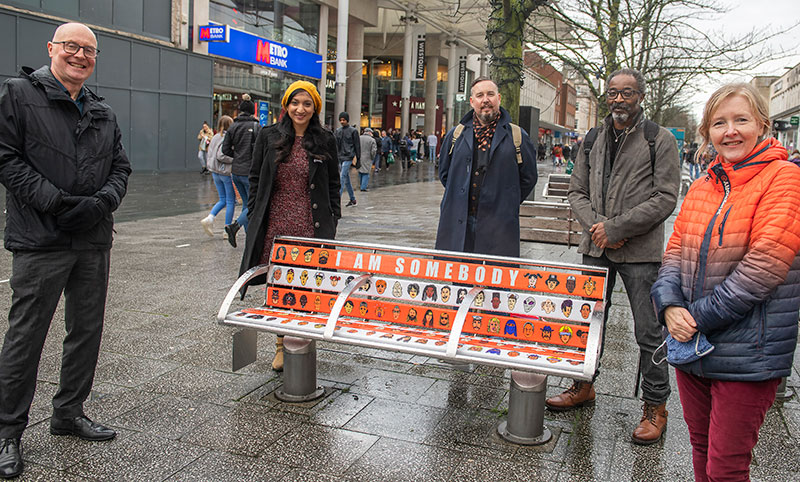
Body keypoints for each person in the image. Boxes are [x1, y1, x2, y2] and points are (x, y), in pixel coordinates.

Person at [0, 22, 131, 479]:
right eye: (71, 47)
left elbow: (120, 167)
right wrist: (54, 202)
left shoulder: (103, 110)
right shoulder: (18, 94)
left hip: (92, 239)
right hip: (41, 238)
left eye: (89, 50)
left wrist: (102, 202)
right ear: (51, 48)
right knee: (26, 335)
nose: (80, 55)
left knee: (86, 331)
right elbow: (5, 157)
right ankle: (7, 431)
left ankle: (68, 412)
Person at [651, 83, 800, 481]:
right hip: (693, 347)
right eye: (719, 122)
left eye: (740, 120)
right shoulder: (703, 184)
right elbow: (674, 252)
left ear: (763, 125)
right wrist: (668, 306)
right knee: (700, 450)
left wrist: (694, 317)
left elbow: (764, 267)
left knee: (726, 467)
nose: (730, 131)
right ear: (707, 132)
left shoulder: (783, 178)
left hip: (748, 351)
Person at [549, 68, 680, 446]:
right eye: (613, 93)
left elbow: (665, 198)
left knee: (648, 331)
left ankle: (656, 406)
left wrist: (618, 229)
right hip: (597, 247)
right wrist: (600, 229)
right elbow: (577, 192)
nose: (619, 100)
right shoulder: (591, 138)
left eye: (627, 93)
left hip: (640, 253)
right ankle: (583, 385)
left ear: (641, 96)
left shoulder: (660, 139)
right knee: (587, 324)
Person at [239, 80, 340, 372]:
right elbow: (255, 177)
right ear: (286, 105)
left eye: (307, 104)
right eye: (295, 103)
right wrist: (253, 212)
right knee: (280, 285)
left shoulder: (325, 139)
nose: (301, 109)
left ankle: (303, 338)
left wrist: (333, 218)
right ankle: (281, 344)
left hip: (311, 223)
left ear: (315, 108)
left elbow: (333, 183)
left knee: (307, 284)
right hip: (277, 222)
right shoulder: (268, 135)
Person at [435, 77, 537, 257]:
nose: (485, 100)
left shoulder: (517, 135)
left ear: (499, 98)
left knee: (496, 281)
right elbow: (445, 174)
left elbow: (528, 178)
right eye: (480, 95)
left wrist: (505, 202)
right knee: (461, 280)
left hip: (499, 227)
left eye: (490, 94)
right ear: (472, 101)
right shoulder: (455, 135)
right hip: (461, 224)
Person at [221, 95, 259, 247]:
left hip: (236, 171)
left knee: (246, 204)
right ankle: (235, 227)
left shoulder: (233, 127)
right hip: (250, 172)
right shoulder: (256, 127)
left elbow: (225, 149)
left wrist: (237, 156)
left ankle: (249, 239)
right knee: (254, 204)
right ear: (251, 111)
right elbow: (259, 150)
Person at [200, 115, 235, 236]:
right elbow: (222, 155)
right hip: (225, 172)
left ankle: (210, 218)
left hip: (215, 172)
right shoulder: (227, 138)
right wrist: (235, 159)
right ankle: (227, 230)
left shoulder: (215, 137)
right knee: (231, 200)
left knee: (223, 199)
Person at [334, 112, 360, 207]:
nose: (342, 121)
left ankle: (336, 201)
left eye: (343, 120)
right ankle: (352, 199)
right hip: (340, 156)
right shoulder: (338, 131)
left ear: (347, 120)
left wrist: (358, 159)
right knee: (345, 178)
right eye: (341, 120)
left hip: (348, 156)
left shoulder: (353, 131)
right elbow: (335, 144)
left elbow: (357, 146)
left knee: (342, 177)